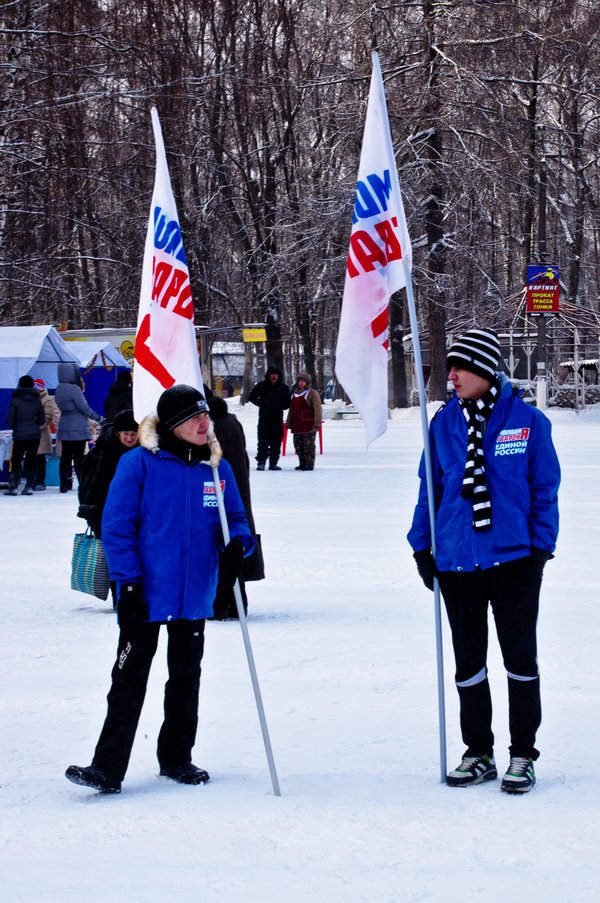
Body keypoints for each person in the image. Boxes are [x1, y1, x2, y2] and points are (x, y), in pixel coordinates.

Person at [65, 385, 254, 794]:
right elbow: (117, 526)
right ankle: (107, 767)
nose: (205, 424)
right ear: (173, 425)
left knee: (186, 678)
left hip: (194, 592)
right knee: (129, 678)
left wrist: (238, 544)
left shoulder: (216, 467)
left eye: (205, 416)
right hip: (144, 592)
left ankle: (177, 758)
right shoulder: (138, 464)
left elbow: (236, 518)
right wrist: (128, 582)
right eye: (195, 418)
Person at [408, 327, 560, 794]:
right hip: (457, 562)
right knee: (468, 662)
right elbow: (430, 490)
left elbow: (545, 490)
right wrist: (422, 547)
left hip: (514, 561)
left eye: (460, 368)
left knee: (520, 658)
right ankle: (478, 752)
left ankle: (522, 754)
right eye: (450, 368)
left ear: (484, 370)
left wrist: (540, 549)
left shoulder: (528, 422)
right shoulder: (443, 425)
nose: (451, 376)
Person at [208, 394, 259, 619]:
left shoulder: (215, 427)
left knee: (224, 547)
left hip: (221, 491)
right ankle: (237, 603)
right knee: (233, 546)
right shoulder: (230, 422)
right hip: (236, 489)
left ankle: (223, 603)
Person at [54, 362, 101, 493]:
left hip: (64, 425)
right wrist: (97, 418)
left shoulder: (59, 389)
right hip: (78, 427)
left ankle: (64, 484)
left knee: (65, 458)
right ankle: (83, 484)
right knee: (79, 458)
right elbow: (83, 407)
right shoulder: (74, 389)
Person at [4, 375, 44, 495]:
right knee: (31, 460)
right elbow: (41, 420)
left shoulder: (15, 400)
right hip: (34, 435)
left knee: (16, 460)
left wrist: (17, 426)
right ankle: (29, 486)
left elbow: (10, 421)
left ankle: (13, 486)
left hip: (19, 434)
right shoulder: (37, 400)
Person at [248, 366, 291, 470]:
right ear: (268, 375)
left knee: (276, 442)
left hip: (277, 419)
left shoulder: (284, 388)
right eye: (272, 374)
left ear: (279, 376)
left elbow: (288, 402)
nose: (273, 376)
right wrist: (261, 404)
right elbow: (252, 397)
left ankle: (273, 463)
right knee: (262, 442)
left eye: (275, 374)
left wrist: (282, 405)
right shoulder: (261, 386)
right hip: (264, 418)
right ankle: (261, 462)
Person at [286, 371, 322, 471]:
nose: (301, 383)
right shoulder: (295, 394)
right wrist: (289, 422)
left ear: (307, 382)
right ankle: (302, 463)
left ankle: (309, 465)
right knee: (298, 445)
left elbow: (318, 409)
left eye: (303, 381)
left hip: (309, 424)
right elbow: (291, 410)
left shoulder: (312, 393)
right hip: (297, 424)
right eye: (299, 381)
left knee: (308, 446)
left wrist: (317, 423)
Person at [33, 378, 60, 490]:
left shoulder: (47, 400)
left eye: (37, 387)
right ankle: (33, 480)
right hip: (32, 433)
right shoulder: (32, 398)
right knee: (32, 458)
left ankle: (40, 481)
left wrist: (35, 427)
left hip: (41, 434)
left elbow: (47, 418)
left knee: (40, 458)